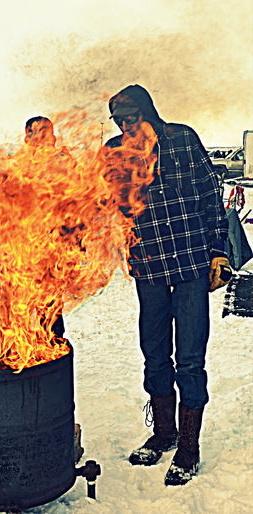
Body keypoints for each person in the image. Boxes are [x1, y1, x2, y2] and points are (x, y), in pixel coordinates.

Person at [105, 84, 230, 486]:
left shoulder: (182, 139)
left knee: (190, 358)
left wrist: (219, 251)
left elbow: (212, 195)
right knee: (154, 354)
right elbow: (102, 204)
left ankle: (189, 449)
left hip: (192, 261)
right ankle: (163, 433)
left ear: (149, 112)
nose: (126, 126)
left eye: (132, 117)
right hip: (148, 266)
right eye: (120, 120)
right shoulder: (114, 151)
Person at [23, 116, 66, 339]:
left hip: (53, 249)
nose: (38, 139)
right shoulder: (18, 166)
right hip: (21, 249)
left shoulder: (64, 163)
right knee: (17, 308)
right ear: (26, 139)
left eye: (43, 133)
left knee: (50, 311)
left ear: (52, 138)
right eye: (33, 133)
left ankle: (52, 351)